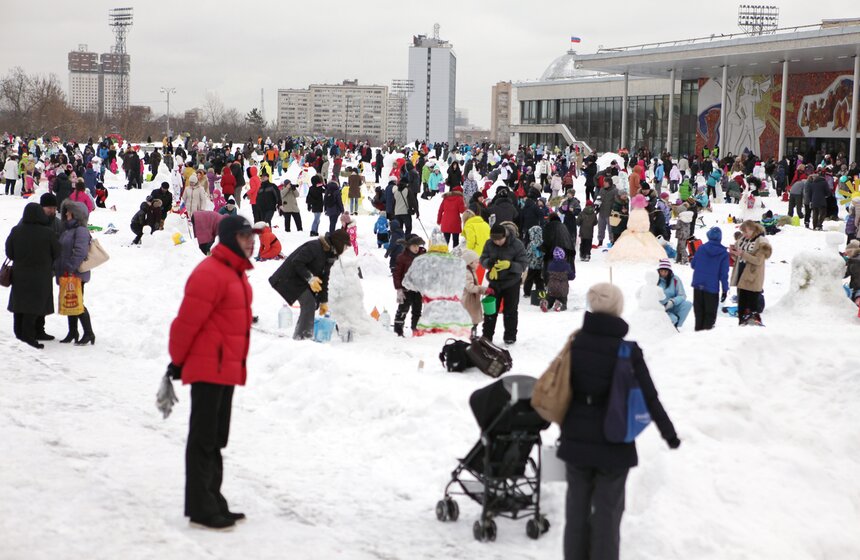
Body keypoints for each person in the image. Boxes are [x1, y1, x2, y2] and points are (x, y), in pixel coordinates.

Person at [559, 283, 680, 560]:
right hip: (614, 443)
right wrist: (669, 434)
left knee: (576, 513)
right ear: (618, 308)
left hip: (576, 440)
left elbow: (559, 386)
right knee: (607, 516)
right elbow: (650, 397)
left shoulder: (576, 344)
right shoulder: (628, 350)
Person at [167, 215, 259, 531]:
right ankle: (200, 506)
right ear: (230, 238)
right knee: (204, 438)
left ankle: (212, 498)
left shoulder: (235, 273)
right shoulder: (211, 273)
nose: (251, 241)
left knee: (216, 438)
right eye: (246, 236)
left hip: (225, 368)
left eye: (252, 236)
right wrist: (176, 361)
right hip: (208, 368)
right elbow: (186, 322)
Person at [268, 229, 350, 340]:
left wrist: (323, 301)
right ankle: (303, 338)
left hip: (300, 281)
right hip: (287, 278)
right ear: (339, 243)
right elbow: (297, 262)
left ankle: (299, 336)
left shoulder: (329, 255)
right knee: (309, 302)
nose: (346, 249)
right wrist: (310, 278)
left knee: (312, 303)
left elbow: (324, 279)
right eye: (346, 245)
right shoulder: (315, 247)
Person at [5, 203, 60, 348]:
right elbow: (57, 253)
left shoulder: (16, 231)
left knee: (20, 305)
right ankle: (29, 338)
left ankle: (19, 334)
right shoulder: (47, 233)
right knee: (33, 307)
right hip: (40, 276)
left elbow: (9, 253)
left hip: (20, 275)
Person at [55, 200, 96, 345]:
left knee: (77, 303)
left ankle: (89, 333)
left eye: (69, 211)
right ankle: (73, 331)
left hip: (75, 273)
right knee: (69, 302)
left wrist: (70, 268)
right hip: (67, 272)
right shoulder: (67, 229)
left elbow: (80, 252)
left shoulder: (81, 231)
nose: (66, 214)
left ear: (76, 215)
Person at [480, 223, 529, 345]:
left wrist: (510, 265)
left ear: (505, 236)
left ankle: (510, 336)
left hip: (511, 283)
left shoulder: (517, 245)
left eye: (499, 240)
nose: (497, 242)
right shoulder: (489, 243)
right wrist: (490, 263)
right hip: (494, 282)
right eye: (494, 240)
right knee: (490, 311)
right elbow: (482, 260)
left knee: (510, 311)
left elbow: (523, 265)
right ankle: (487, 336)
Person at [729, 220, 771, 326]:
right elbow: (738, 256)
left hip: (752, 278)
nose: (743, 235)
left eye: (745, 232)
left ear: (752, 230)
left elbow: (758, 260)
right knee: (742, 309)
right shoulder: (743, 239)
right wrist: (733, 252)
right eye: (742, 232)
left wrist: (742, 254)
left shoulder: (762, 242)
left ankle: (753, 330)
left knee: (752, 309)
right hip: (741, 277)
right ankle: (742, 328)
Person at [690, 227, 730, 330]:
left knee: (699, 313)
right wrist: (725, 290)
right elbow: (723, 274)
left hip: (698, 285)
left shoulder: (701, 248)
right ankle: (705, 338)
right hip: (711, 288)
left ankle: (697, 334)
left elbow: (693, 265)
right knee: (710, 314)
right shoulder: (724, 253)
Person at [392, 234, 426, 337]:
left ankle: (415, 329)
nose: (416, 248)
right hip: (406, 289)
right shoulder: (402, 258)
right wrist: (399, 288)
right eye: (413, 246)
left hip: (418, 289)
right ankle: (398, 330)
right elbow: (397, 274)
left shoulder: (423, 256)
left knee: (417, 311)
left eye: (417, 246)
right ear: (408, 246)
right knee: (403, 309)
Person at [656, 259, 692, 328]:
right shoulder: (655, 280)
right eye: (661, 271)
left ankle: (676, 326)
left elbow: (682, 295)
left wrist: (673, 301)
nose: (663, 273)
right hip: (660, 308)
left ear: (669, 271)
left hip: (672, 305)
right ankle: (670, 325)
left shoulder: (675, 279)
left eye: (665, 271)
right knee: (673, 319)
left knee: (687, 304)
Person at [460, 249, 486, 338]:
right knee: (471, 319)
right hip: (469, 300)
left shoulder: (471, 271)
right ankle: (470, 335)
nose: (478, 264)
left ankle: (472, 334)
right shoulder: (467, 273)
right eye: (476, 262)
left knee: (473, 319)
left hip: (472, 300)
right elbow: (470, 288)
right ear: (470, 263)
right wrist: (483, 290)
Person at [542, 247, 575, 312]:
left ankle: (547, 303)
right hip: (562, 289)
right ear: (563, 256)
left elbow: (546, 275)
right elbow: (572, 277)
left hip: (552, 288)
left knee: (550, 298)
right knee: (563, 300)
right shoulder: (566, 265)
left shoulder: (550, 265)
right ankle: (560, 304)